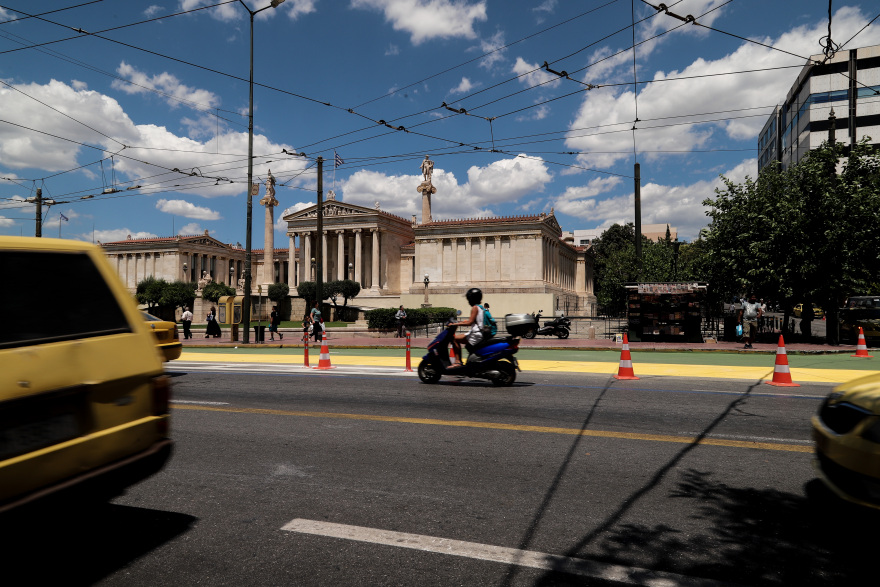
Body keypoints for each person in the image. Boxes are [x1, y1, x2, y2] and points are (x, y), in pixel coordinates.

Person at [450, 288, 485, 367]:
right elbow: (471, 320)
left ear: (472, 298)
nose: (468, 301)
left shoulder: (475, 308)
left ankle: (458, 362)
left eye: (469, 298)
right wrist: (460, 322)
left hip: (476, 334)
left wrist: (455, 325)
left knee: (455, 339)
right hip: (479, 333)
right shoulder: (481, 307)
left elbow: (470, 322)